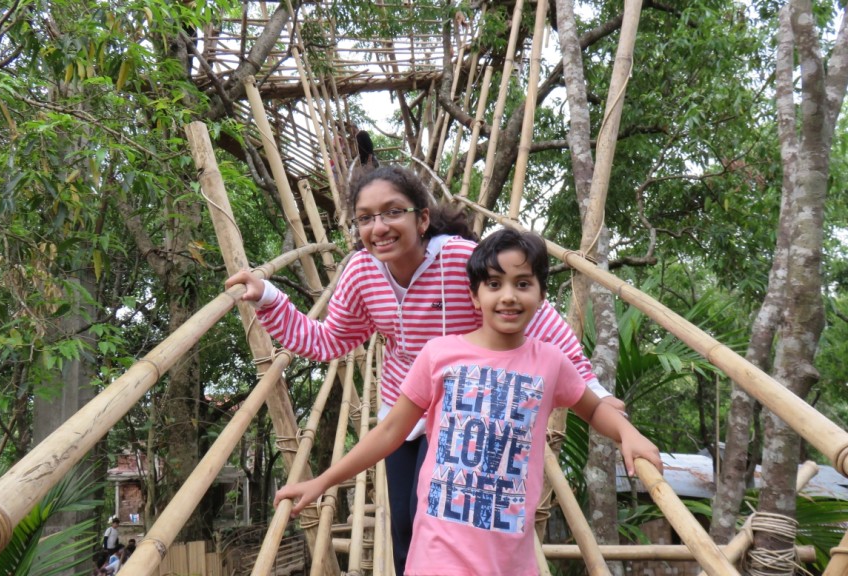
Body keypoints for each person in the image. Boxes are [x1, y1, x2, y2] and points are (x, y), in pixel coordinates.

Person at [225, 165, 625, 575]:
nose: (379, 227)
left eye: (392, 212)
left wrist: (595, 391)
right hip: (404, 404)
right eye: (366, 218)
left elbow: (538, 322)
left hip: (463, 408)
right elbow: (329, 340)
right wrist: (268, 297)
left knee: (431, 512)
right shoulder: (361, 272)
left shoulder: (459, 258)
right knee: (403, 525)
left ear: (422, 219)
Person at [274, 229, 661, 575]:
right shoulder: (439, 354)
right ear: (474, 295)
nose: (508, 296)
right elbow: (391, 431)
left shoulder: (550, 362)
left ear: (541, 295)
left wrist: (627, 433)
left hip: (509, 558)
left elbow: (592, 407)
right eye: (493, 284)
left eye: (522, 284)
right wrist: (323, 482)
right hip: (438, 552)